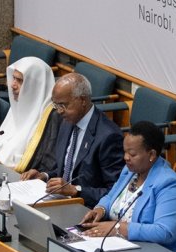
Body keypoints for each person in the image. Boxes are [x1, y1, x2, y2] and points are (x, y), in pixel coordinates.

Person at [78, 121, 176, 252]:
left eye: (132, 154)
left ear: (152, 155)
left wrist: (118, 228)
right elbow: (111, 197)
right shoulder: (129, 171)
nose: (126, 158)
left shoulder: (169, 184)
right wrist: (100, 209)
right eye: (125, 152)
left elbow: (165, 232)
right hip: (125, 247)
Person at [20, 73, 123, 205]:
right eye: (56, 105)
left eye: (63, 105)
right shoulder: (67, 122)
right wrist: (44, 176)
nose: (59, 111)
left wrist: (76, 190)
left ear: (83, 101)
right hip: (58, 200)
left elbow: (116, 192)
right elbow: (64, 170)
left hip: (86, 208)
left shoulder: (108, 136)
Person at [0, 56, 59, 172]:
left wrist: (5, 168)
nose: (13, 85)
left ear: (35, 85)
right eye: (13, 78)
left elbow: (43, 167)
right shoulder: (18, 105)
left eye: (19, 81)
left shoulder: (52, 118)